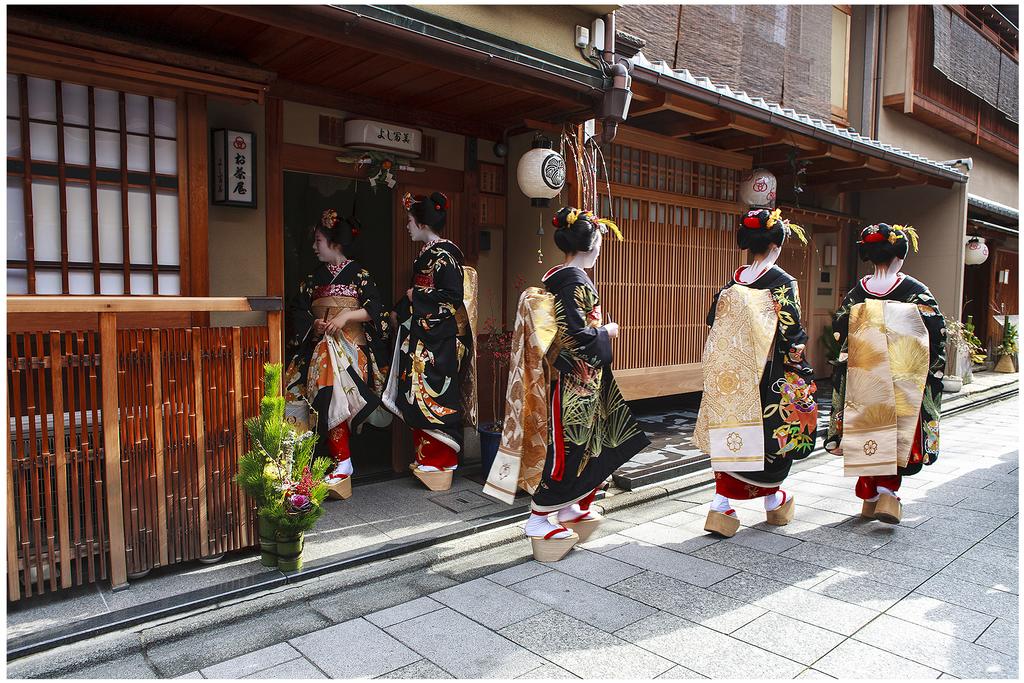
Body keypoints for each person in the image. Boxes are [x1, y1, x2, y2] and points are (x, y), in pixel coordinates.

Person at [483, 207, 650, 562]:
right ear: (592, 242)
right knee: (569, 451)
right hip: (575, 384)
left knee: (599, 444)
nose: (603, 246)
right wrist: (607, 331)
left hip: (584, 383)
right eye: (601, 239)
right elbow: (575, 336)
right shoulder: (573, 281)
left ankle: (573, 508)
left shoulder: (562, 277)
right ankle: (540, 517)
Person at [696, 208, 819, 537]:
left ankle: (721, 504)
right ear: (776, 245)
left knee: (731, 434)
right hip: (768, 376)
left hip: (730, 375)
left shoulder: (732, 283)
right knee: (772, 439)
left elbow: (713, 323)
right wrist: (801, 369)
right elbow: (792, 335)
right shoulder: (780, 282)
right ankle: (773, 500)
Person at [825, 223, 944, 524]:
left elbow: (841, 329)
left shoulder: (858, 292)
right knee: (896, 432)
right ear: (900, 255)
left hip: (863, 375)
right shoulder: (915, 291)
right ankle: (888, 495)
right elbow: (936, 331)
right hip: (902, 376)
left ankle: (870, 497)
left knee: (867, 429)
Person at [284, 208, 391, 500]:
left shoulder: (360, 275)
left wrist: (345, 318)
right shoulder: (312, 278)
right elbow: (297, 310)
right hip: (320, 349)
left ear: (334, 243)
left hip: (351, 350)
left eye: (318, 240)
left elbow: (376, 310)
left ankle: (343, 462)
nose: (314, 246)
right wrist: (314, 324)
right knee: (311, 385)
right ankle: (327, 464)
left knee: (331, 384)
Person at [383, 192, 477, 492]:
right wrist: (398, 311)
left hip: (438, 339)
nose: (407, 227)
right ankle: (429, 460)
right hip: (425, 335)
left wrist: (416, 296)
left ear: (423, 223)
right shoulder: (428, 253)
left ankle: (440, 462)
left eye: (410, 222)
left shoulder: (445, 255)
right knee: (417, 395)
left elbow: (452, 298)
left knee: (433, 396)